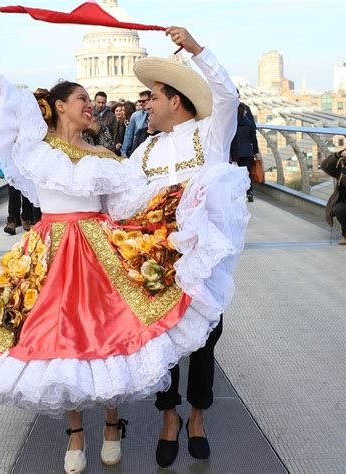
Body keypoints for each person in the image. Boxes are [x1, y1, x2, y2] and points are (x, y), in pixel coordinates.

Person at [0, 12, 216, 474]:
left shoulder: (110, 157)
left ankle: (113, 424)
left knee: (109, 333)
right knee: (61, 340)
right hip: (51, 252)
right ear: (59, 106)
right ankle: (76, 431)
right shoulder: (35, 147)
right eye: (81, 99)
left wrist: (194, 203)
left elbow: (142, 199)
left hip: (99, 249)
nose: (90, 106)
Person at [107, 26, 249, 467]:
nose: (144, 104)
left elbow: (227, 94)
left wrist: (197, 49)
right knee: (160, 339)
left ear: (175, 100)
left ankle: (198, 417)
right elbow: (118, 193)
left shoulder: (210, 134)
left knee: (206, 337)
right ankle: (168, 416)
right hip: (155, 261)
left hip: (199, 259)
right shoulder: (145, 151)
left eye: (152, 95)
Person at [230, 103, 260, 202]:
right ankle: (249, 192)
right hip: (247, 152)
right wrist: (256, 151)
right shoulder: (250, 124)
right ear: (244, 112)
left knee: (235, 174)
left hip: (236, 153)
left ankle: (238, 193)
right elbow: (254, 139)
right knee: (247, 173)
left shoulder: (232, 125)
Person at [321, 148, 346, 245]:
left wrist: (345, 174)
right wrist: (338, 155)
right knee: (340, 209)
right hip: (345, 203)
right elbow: (325, 166)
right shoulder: (342, 168)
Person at [120, 90, 151, 158]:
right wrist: (124, 151)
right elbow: (129, 135)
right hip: (137, 149)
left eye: (143, 101)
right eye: (139, 101)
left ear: (150, 100)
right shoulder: (135, 115)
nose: (140, 103)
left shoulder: (157, 114)